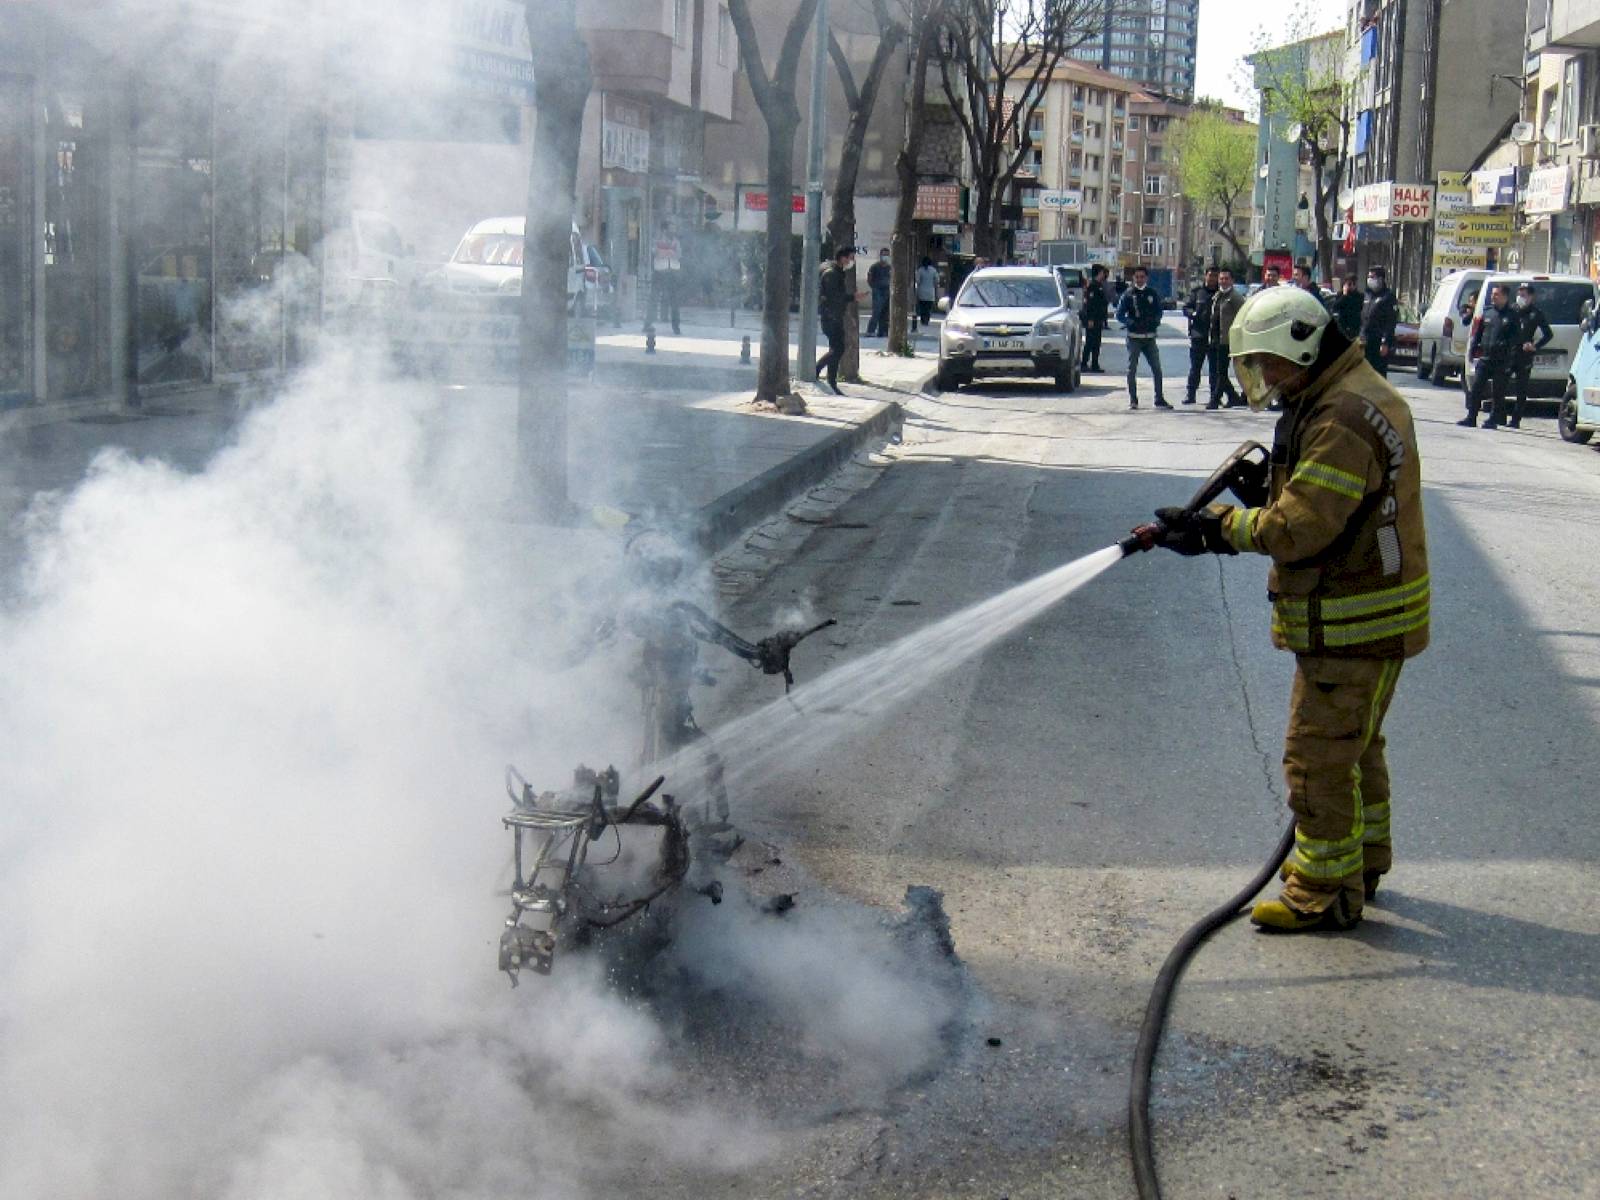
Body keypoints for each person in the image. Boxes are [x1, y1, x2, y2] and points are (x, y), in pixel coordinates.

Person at [1152, 286, 1429, 932]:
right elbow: (1331, 499)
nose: (1268, 380)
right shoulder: (1344, 392)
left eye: (1272, 364)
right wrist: (1270, 486)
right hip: (1375, 617)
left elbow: (1301, 527)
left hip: (1352, 623)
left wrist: (1222, 527)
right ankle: (1364, 861)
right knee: (1356, 749)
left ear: (1304, 344)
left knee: (1317, 756)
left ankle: (1323, 892)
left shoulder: (1342, 416)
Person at [1461, 282, 1520, 429]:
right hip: (1485, 358)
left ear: (1505, 297)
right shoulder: (1487, 313)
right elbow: (1478, 334)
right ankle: (1471, 417)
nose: (1493, 297)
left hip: (1502, 360)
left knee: (1498, 393)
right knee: (1476, 389)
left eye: (1496, 295)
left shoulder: (1512, 316)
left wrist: (1511, 362)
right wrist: (1473, 350)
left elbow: (1516, 341)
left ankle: (1493, 420)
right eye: (1492, 294)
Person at [1115, 265, 1170, 409]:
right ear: (1133, 278)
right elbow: (1119, 314)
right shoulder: (1127, 295)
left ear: (1147, 278)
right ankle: (1133, 400)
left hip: (1150, 338)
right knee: (1131, 369)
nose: (1139, 279)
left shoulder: (1152, 293)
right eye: (1137, 277)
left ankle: (1159, 398)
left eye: (1142, 277)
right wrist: (1130, 322)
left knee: (1157, 368)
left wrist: (1155, 322)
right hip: (1134, 338)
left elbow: (1159, 311)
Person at [1509, 281, 1554, 429]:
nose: (1521, 297)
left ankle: (1516, 420)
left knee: (1521, 388)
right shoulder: (1512, 310)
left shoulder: (1536, 313)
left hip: (1524, 355)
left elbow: (1548, 334)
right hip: (1509, 353)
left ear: (1531, 297)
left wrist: (1535, 346)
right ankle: (1498, 415)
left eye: (1524, 295)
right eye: (1519, 294)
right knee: (1500, 384)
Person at [815, 246, 854, 395]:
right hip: (831, 316)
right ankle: (817, 370)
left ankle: (831, 381)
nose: (852, 261)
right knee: (838, 348)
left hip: (834, 315)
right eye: (850, 258)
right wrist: (852, 297)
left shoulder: (836, 271)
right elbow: (834, 297)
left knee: (836, 348)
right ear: (843, 258)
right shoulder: (832, 273)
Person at [1182, 267, 1220, 405]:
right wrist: (1192, 313)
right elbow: (1186, 308)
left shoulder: (1221, 294)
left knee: (1214, 370)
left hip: (1215, 337)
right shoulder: (1197, 292)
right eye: (1210, 275)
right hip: (1199, 335)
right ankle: (1190, 394)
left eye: (1215, 276)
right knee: (1195, 367)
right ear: (1205, 276)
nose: (1212, 279)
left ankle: (1214, 397)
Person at [1207, 268, 1244, 408]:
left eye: (1226, 278)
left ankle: (1215, 400)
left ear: (1232, 280)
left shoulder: (1235, 297)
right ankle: (1233, 397)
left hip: (1227, 340)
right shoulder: (1217, 296)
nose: (1223, 281)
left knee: (1221, 371)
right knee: (1218, 371)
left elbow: (1243, 316)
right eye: (1221, 278)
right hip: (1215, 338)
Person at [1359, 265, 1398, 377]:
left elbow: (1390, 323)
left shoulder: (1388, 297)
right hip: (1365, 342)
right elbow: (1362, 318)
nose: (1369, 279)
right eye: (1369, 277)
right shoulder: (1367, 295)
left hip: (1378, 344)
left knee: (1378, 376)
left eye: (1373, 277)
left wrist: (1385, 342)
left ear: (1381, 279)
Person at [651, 220, 683, 335]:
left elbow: (679, 255)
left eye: (674, 228)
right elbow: (655, 252)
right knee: (653, 298)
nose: (673, 231)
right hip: (660, 271)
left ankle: (676, 327)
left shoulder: (676, 241)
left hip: (673, 272)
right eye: (671, 228)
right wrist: (669, 252)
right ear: (665, 230)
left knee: (674, 301)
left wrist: (666, 252)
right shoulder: (658, 240)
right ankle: (648, 323)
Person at [1081, 264, 1110, 372]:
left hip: (1098, 319)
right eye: (1102, 272)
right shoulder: (1092, 286)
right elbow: (1090, 304)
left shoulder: (1099, 285)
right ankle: (1084, 363)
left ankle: (1094, 364)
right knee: (1090, 342)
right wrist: (1090, 319)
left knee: (1096, 343)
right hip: (1093, 319)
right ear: (1099, 273)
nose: (1104, 274)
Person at [865, 248, 892, 338]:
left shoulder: (890, 268)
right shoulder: (874, 266)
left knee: (885, 313)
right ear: (880, 255)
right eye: (884, 255)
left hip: (887, 291)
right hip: (878, 291)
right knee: (876, 311)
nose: (885, 257)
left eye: (887, 255)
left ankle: (883, 331)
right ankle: (870, 331)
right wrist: (874, 287)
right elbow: (869, 278)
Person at [1330, 276, 1364, 341]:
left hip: (1355, 326)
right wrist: (1344, 295)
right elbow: (1335, 307)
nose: (1351, 286)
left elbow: (1359, 307)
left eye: (1353, 284)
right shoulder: (1341, 294)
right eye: (1349, 284)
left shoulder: (1359, 295)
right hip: (1343, 325)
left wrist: (1352, 292)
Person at [915, 257, 939, 328]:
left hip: (922, 292)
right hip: (930, 292)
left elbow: (918, 281)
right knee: (928, 308)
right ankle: (926, 320)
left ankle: (923, 320)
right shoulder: (934, 270)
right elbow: (937, 281)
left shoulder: (920, 270)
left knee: (922, 308)